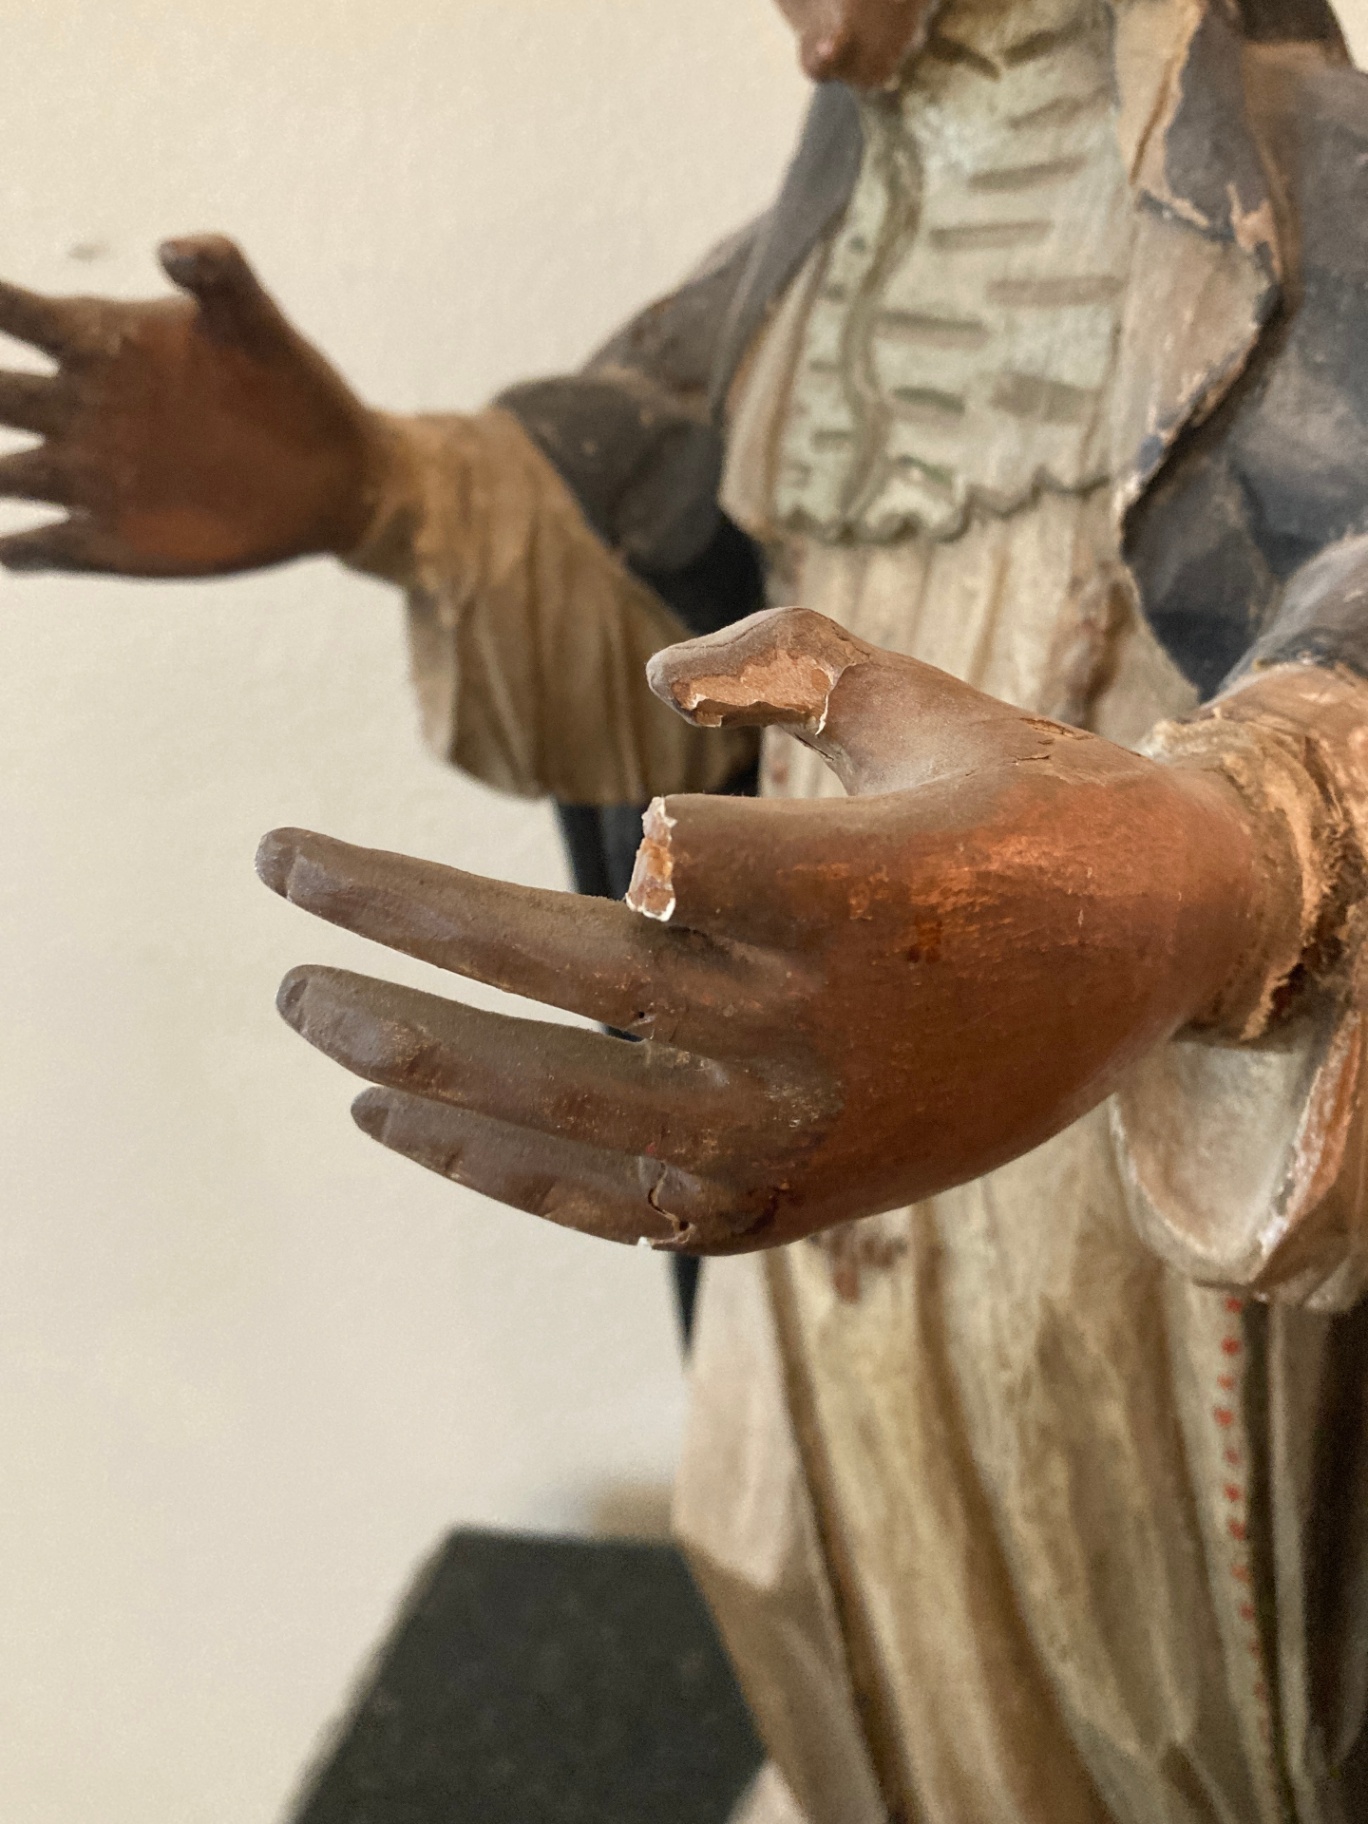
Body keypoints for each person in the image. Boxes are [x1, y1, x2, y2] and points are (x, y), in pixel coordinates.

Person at [4, 1, 1368, 1818]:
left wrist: (1216, 867)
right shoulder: (827, 248)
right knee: (806, 1557)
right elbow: (667, 604)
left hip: (1139, 1139)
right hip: (824, 1077)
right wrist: (381, 492)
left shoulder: (1319, 197)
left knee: (1138, 1636)